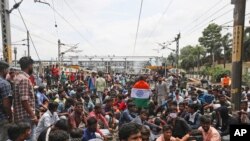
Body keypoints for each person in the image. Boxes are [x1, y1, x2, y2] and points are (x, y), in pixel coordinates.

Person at [13, 57, 37, 141]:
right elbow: (24, 101)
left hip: (21, 116)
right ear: (29, 66)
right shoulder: (24, 79)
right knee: (30, 138)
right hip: (26, 117)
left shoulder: (17, 78)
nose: (32, 67)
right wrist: (33, 116)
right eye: (32, 65)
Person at [0, 61, 12, 141]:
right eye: (7, 70)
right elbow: (6, 104)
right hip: (2, 118)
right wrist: (10, 116)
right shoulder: (4, 84)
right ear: (3, 70)